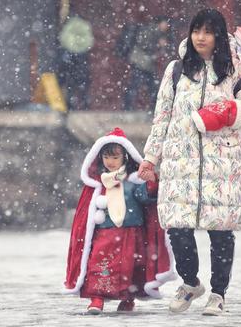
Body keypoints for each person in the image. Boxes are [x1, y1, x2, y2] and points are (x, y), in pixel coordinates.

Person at [138, 8, 241, 316]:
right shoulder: (176, 70)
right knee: (177, 228)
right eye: (196, 31)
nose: (201, 38)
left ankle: (218, 293)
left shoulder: (235, 70)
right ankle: (190, 282)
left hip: (222, 164)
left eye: (208, 32)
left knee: (220, 231)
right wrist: (151, 158)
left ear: (219, 35)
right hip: (181, 164)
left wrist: (225, 113)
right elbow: (162, 116)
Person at [63, 127, 175, 314]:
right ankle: (97, 299)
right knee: (99, 264)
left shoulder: (133, 180)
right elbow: (86, 213)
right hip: (104, 233)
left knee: (129, 267)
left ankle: (127, 298)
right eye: (107, 157)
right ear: (100, 158)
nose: (111, 162)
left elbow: (146, 198)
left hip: (132, 233)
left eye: (115, 157)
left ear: (125, 157)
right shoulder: (97, 184)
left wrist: (151, 183)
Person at [122, 16, 175, 111]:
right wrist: (158, 44)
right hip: (140, 61)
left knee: (150, 86)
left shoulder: (161, 34)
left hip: (146, 63)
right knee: (136, 84)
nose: (166, 26)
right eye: (165, 24)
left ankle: (152, 107)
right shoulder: (151, 30)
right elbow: (143, 43)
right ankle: (128, 106)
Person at [57, 15, 94, 110]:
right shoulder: (85, 26)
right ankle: (85, 105)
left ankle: (69, 105)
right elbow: (89, 41)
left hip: (70, 56)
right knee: (82, 83)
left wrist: (70, 48)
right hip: (81, 57)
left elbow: (63, 39)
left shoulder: (69, 26)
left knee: (68, 83)